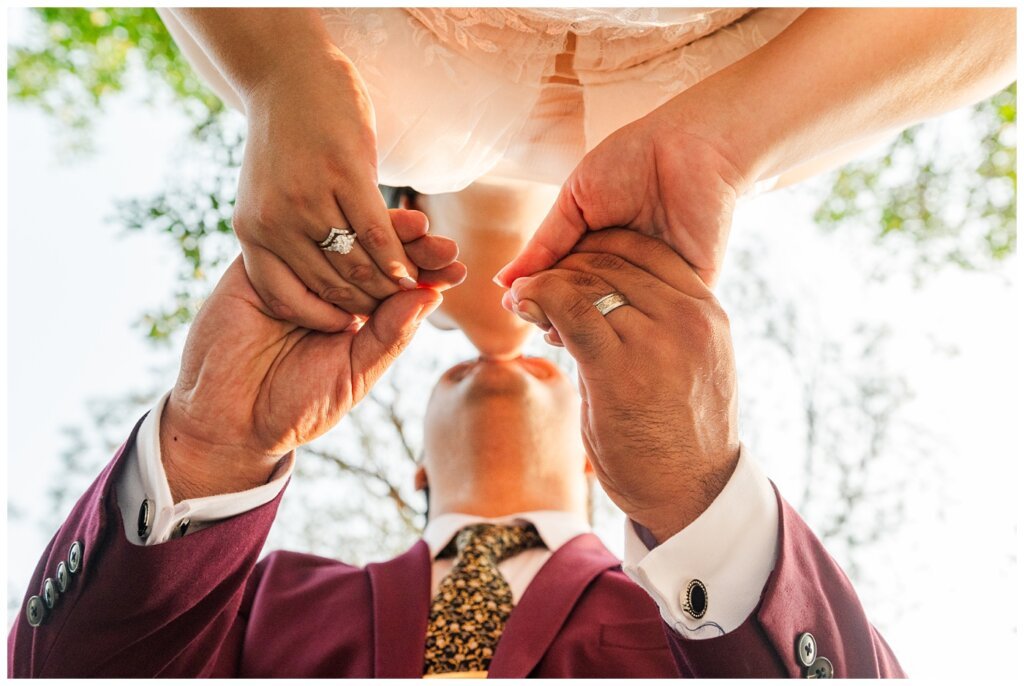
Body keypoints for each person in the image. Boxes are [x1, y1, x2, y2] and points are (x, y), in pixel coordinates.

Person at [9, 230, 904, 678]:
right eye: (448, 371)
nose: (491, 354)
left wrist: (698, 492)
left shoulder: (710, 619)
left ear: (597, 460)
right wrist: (209, 443)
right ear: (420, 471)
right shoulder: (250, 602)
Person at [158, 7, 1015, 331]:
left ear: (403, 218)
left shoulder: (319, 98)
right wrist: (720, 144)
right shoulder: (748, 150)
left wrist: (277, 70)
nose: (518, 340)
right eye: (545, 346)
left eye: (453, 326)